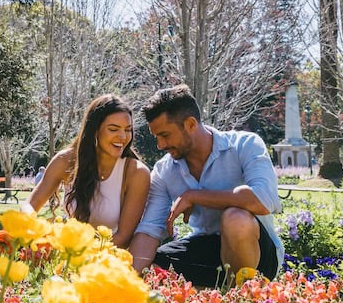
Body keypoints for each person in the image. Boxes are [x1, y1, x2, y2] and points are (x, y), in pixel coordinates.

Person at [129, 85, 283, 287]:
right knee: (156, 267)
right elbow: (150, 230)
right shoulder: (164, 171)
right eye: (156, 136)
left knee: (235, 218)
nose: (160, 145)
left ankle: (246, 298)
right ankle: (211, 300)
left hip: (259, 254)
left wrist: (195, 196)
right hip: (207, 248)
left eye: (165, 135)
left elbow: (265, 200)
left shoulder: (245, 145)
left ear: (191, 124)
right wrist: (128, 280)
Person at [22, 94, 151, 250]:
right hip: (67, 253)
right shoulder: (66, 160)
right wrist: (31, 227)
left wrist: (76, 249)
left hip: (108, 259)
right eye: (113, 129)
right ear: (94, 130)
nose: (123, 137)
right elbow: (30, 204)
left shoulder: (137, 173)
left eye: (128, 130)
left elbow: (123, 238)